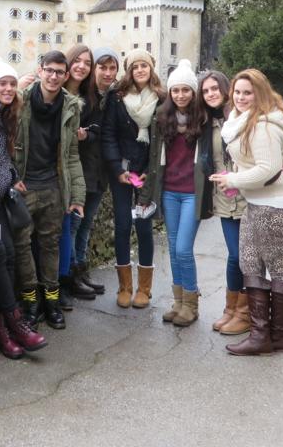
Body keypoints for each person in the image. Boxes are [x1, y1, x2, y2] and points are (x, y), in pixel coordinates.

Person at [211, 69, 283, 356]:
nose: (240, 98)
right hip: (257, 203)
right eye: (237, 92)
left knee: (277, 268)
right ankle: (261, 334)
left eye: (247, 93)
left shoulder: (263, 125)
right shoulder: (242, 121)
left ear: (260, 94)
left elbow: (267, 168)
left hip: (275, 205)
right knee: (250, 264)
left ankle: (275, 336)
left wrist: (232, 180)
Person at [0, 57, 48, 359]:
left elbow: (3, 157)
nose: (8, 88)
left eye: (12, 84)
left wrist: (11, 175)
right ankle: (15, 324)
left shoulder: (6, 113)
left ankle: (1, 329)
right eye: (2, 83)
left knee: (11, 256)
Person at [12, 51, 86, 330]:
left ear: (66, 76)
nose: (53, 76)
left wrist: (77, 196)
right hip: (24, 185)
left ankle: (52, 302)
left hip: (53, 185)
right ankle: (31, 304)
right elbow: (1, 139)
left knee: (51, 245)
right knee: (22, 247)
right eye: (49, 70)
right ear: (40, 70)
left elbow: (72, 154)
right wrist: (10, 178)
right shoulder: (20, 99)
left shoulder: (71, 106)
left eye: (59, 72)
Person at [145, 60, 207, 327]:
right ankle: (179, 302)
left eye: (186, 90)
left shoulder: (204, 119)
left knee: (183, 248)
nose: (181, 95)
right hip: (169, 191)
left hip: (192, 192)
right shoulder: (162, 118)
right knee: (173, 248)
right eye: (176, 90)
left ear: (193, 92)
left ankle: (191, 304)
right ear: (170, 92)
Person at [101, 50, 165, 309]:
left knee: (144, 226)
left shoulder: (161, 98)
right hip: (122, 170)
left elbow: (163, 139)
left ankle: (144, 289)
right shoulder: (117, 97)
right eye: (135, 66)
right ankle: (124, 287)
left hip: (147, 171)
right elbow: (108, 134)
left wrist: (151, 171)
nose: (140, 70)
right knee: (123, 225)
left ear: (151, 69)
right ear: (129, 70)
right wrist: (117, 168)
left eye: (144, 65)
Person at [198, 70, 250, 336]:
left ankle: (245, 313)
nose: (211, 94)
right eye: (205, 91)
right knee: (234, 255)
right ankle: (231, 310)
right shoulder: (205, 122)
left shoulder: (243, 117)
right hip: (225, 198)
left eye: (214, 88)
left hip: (249, 196)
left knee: (247, 256)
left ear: (225, 88)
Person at [69, 47, 121, 297]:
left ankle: (81, 269)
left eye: (112, 68)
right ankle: (72, 275)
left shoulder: (112, 96)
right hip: (81, 170)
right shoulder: (84, 95)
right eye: (102, 67)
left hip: (100, 172)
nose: (107, 73)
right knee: (74, 225)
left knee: (85, 225)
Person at [57, 45, 100, 304]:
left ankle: (74, 274)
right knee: (68, 227)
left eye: (87, 63)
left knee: (77, 225)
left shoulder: (89, 98)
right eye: (78, 61)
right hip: (58, 169)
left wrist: (87, 135)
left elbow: (98, 130)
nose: (82, 66)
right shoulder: (54, 91)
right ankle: (68, 278)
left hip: (80, 166)